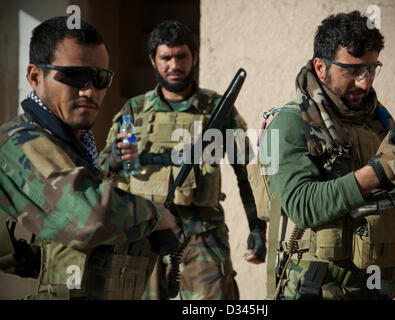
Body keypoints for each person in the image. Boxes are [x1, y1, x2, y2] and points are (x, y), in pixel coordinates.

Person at [0, 16, 175, 300]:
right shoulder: (20, 142)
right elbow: (89, 215)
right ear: (35, 77)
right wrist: (155, 214)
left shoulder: (75, 144)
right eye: (74, 76)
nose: (89, 91)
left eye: (100, 78)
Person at [259, 11, 395, 300]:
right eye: (351, 71)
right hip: (315, 287)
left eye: (371, 69)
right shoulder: (288, 123)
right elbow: (301, 205)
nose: (364, 83)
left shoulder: (378, 121)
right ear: (320, 67)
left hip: (375, 284)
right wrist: (378, 172)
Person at [99, 20, 266, 300]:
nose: (174, 65)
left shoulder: (217, 110)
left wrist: (257, 227)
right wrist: (114, 159)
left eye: (181, 56)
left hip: (202, 234)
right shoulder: (135, 110)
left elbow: (246, 171)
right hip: (144, 234)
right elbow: (102, 170)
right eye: (166, 57)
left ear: (194, 57)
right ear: (153, 60)